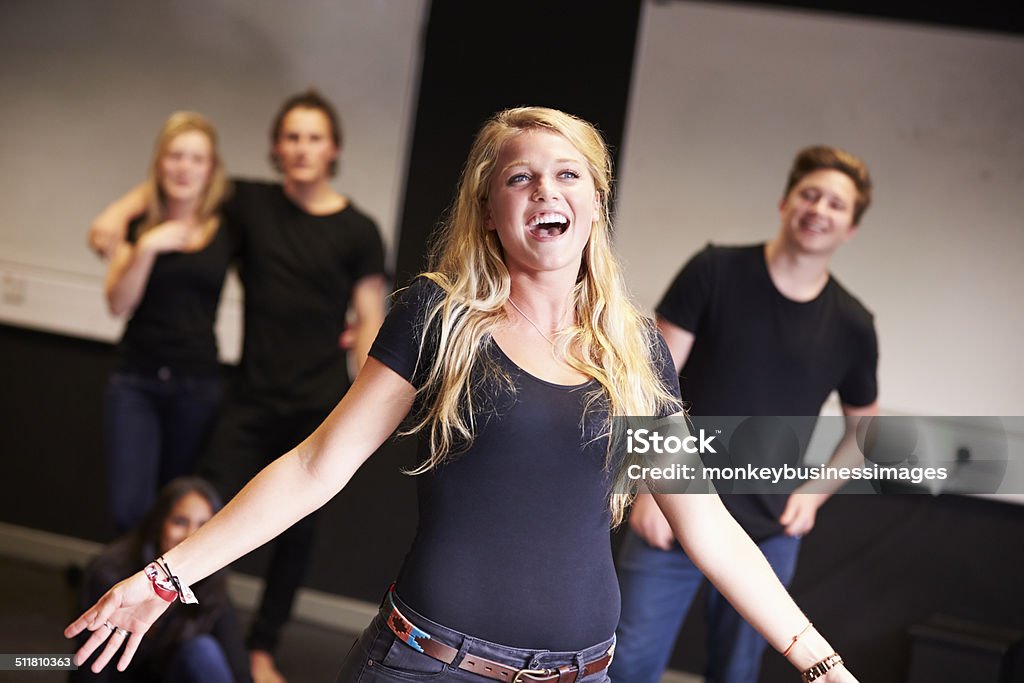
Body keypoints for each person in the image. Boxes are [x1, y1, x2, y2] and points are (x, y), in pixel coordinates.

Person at [67, 107, 857, 683]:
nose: (544, 189)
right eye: (520, 176)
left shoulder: (636, 347)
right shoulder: (437, 318)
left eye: (565, 173)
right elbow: (316, 467)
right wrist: (164, 576)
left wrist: (820, 663)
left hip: (584, 675)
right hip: (428, 667)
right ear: (491, 208)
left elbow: (707, 523)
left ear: (593, 200)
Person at [87, 90, 388, 683]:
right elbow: (168, 190)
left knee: (296, 537)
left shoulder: (359, 230)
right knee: (204, 517)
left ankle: (260, 647)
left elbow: (370, 319)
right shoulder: (251, 205)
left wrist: (365, 403)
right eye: (292, 137)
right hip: (248, 399)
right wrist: (117, 226)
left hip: (319, 404)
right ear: (278, 148)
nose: (302, 148)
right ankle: (182, 628)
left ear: (333, 150)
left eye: (314, 138)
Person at [611, 146, 879, 683]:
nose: (819, 209)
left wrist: (813, 495)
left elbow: (864, 430)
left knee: (735, 672)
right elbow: (648, 387)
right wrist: (644, 488)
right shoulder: (715, 271)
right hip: (674, 513)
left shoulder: (852, 324)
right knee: (629, 666)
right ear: (785, 202)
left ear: (849, 227)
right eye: (810, 194)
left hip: (768, 532)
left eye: (836, 204)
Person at [102, 111, 233, 533]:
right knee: (130, 509)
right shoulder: (139, 227)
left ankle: (165, 599)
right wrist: (145, 248)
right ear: (159, 163)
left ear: (210, 169)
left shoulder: (228, 228)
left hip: (196, 386)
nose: (185, 167)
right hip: (135, 381)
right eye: (175, 156)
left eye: (197, 158)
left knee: (177, 515)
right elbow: (118, 303)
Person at [71, 477, 251, 682]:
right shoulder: (112, 574)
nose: (191, 535)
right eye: (180, 522)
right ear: (159, 525)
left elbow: (239, 671)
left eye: (203, 526)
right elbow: (89, 666)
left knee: (202, 651)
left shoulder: (212, 582)